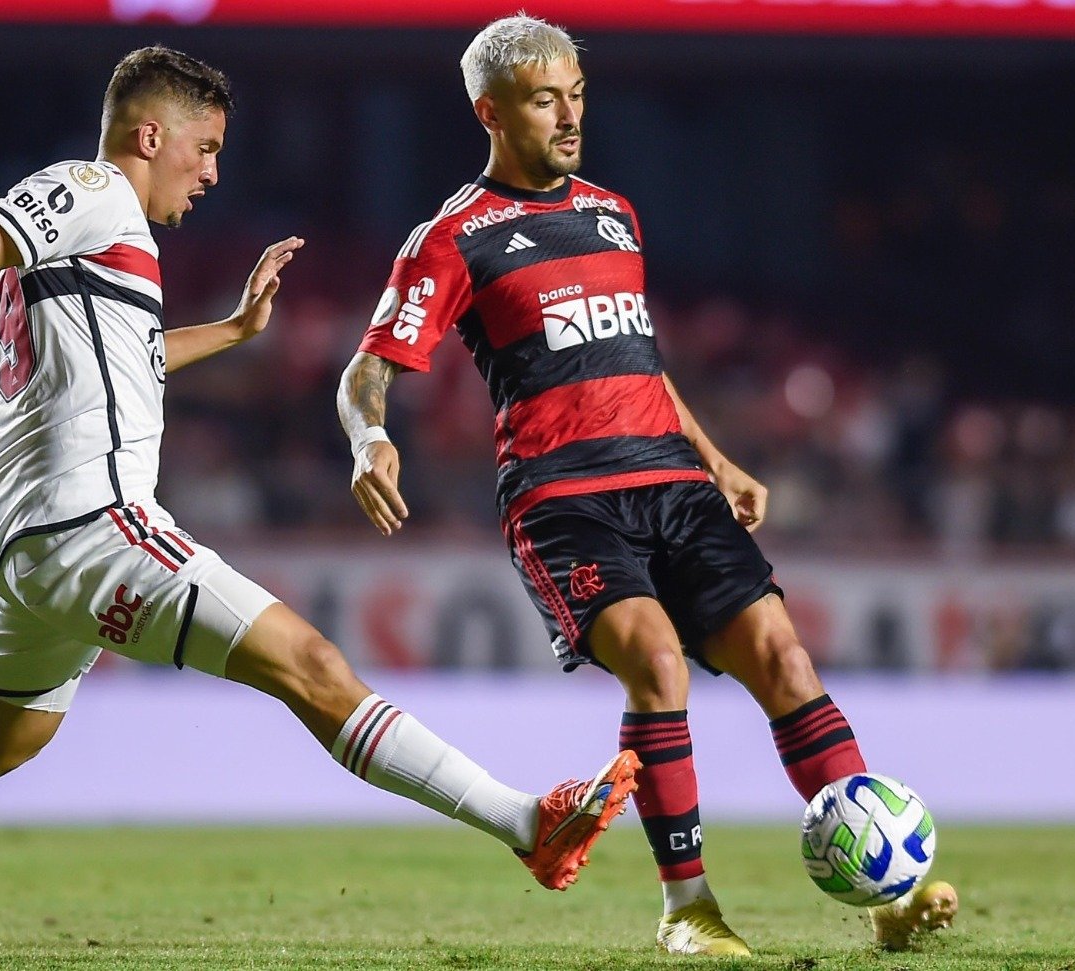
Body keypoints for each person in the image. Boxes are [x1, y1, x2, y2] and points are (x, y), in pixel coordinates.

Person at [0, 46, 639, 960]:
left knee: (1, 738)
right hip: (91, 521)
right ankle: (528, 824)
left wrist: (234, 330)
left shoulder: (108, 240)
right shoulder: (91, 190)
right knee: (311, 663)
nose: (211, 174)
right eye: (205, 149)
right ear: (150, 136)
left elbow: (135, 357)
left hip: (30, 540)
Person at [336, 16, 957, 956]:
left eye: (577, 95)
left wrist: (715, 457)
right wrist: (371, 437)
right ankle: (688, 908)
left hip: (673, 481)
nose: (570, 116)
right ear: (490, 112)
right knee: (659, 664)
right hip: (564, 498)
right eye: (545, 100)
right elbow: (368, 367)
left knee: (785, 659)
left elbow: (638, 360)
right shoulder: (454, 237)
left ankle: (888, 894)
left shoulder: (614, 213)